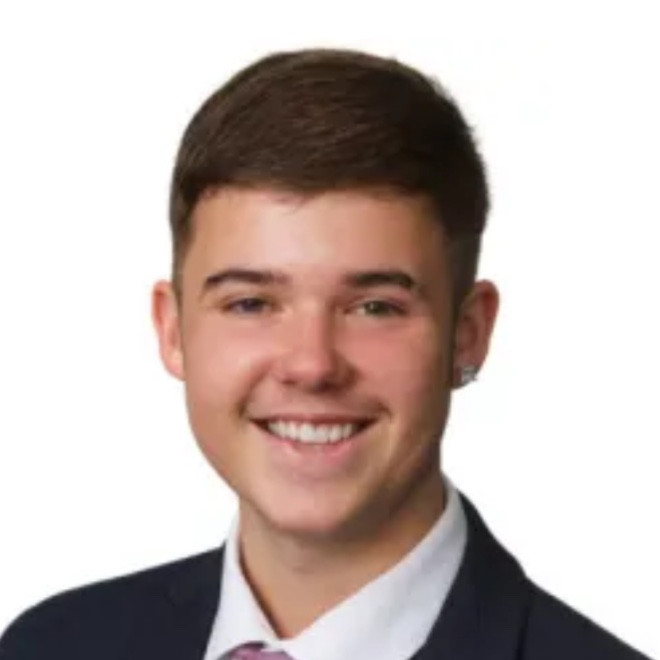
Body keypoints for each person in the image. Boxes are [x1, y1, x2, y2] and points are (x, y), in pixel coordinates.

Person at [0, 48, 652, 660]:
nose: (312, 365)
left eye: (375, 307)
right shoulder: (51, 645)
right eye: (251, 303)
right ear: (173, 331)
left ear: (469, 332)